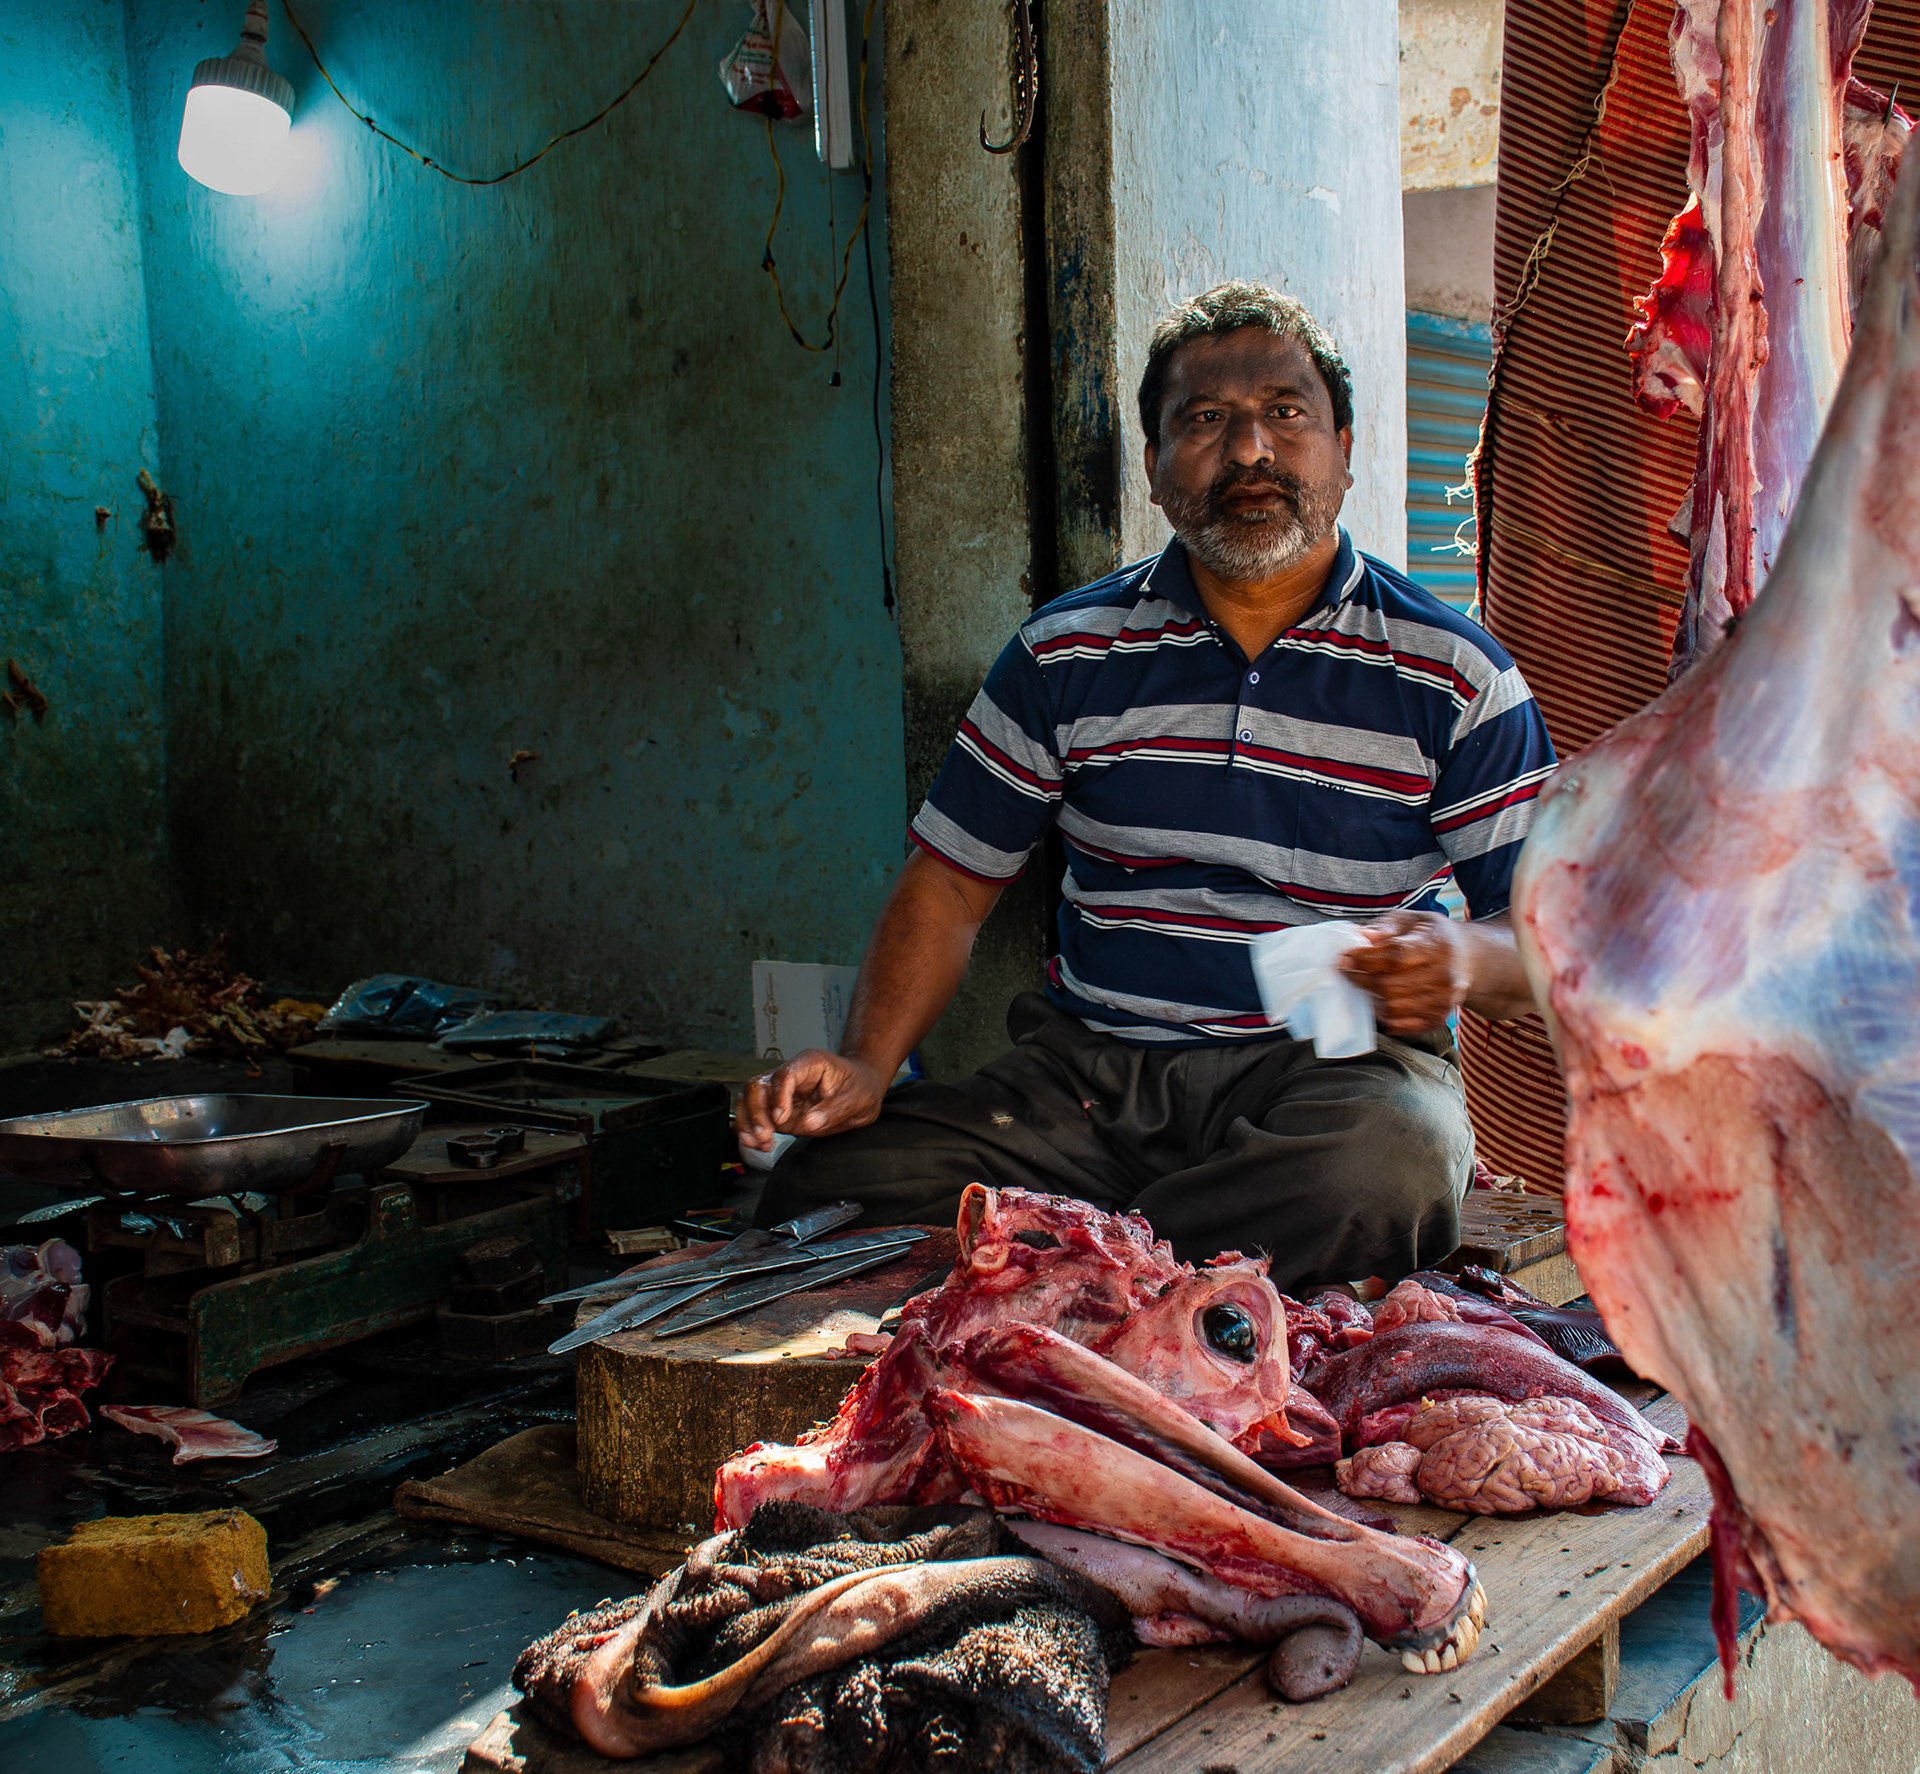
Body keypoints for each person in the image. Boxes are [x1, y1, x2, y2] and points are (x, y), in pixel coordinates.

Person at [740, 281, 1553, 1294]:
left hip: (1331, 1082)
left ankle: (1077, 1269)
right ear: (1157, 471)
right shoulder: (1066, 654)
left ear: (1346, 451)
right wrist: (865, 1064)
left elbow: (1544, 936)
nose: (1251, 450)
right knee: (831, 1183)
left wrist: (1460, 957)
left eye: (1287, 414)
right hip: (1088, 1084)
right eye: (1205, 421)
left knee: (1382, 1176)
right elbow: (950, 885)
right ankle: (1150, 1271)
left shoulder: (1453, 674)